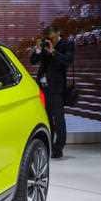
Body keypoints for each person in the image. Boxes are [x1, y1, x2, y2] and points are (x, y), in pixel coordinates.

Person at [30, 25, 75, 158]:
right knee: (47, 118)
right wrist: (38, 50)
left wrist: (53, 52)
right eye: (48, 37)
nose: (50, 39)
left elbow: (68, 61)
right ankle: (48, 145)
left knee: (59, 119)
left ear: (58, 33)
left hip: (57, 88)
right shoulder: (44, 45)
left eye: (52, 37)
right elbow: (33, 61)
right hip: (43, 88)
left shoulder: (67, 44)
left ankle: (58, 147)